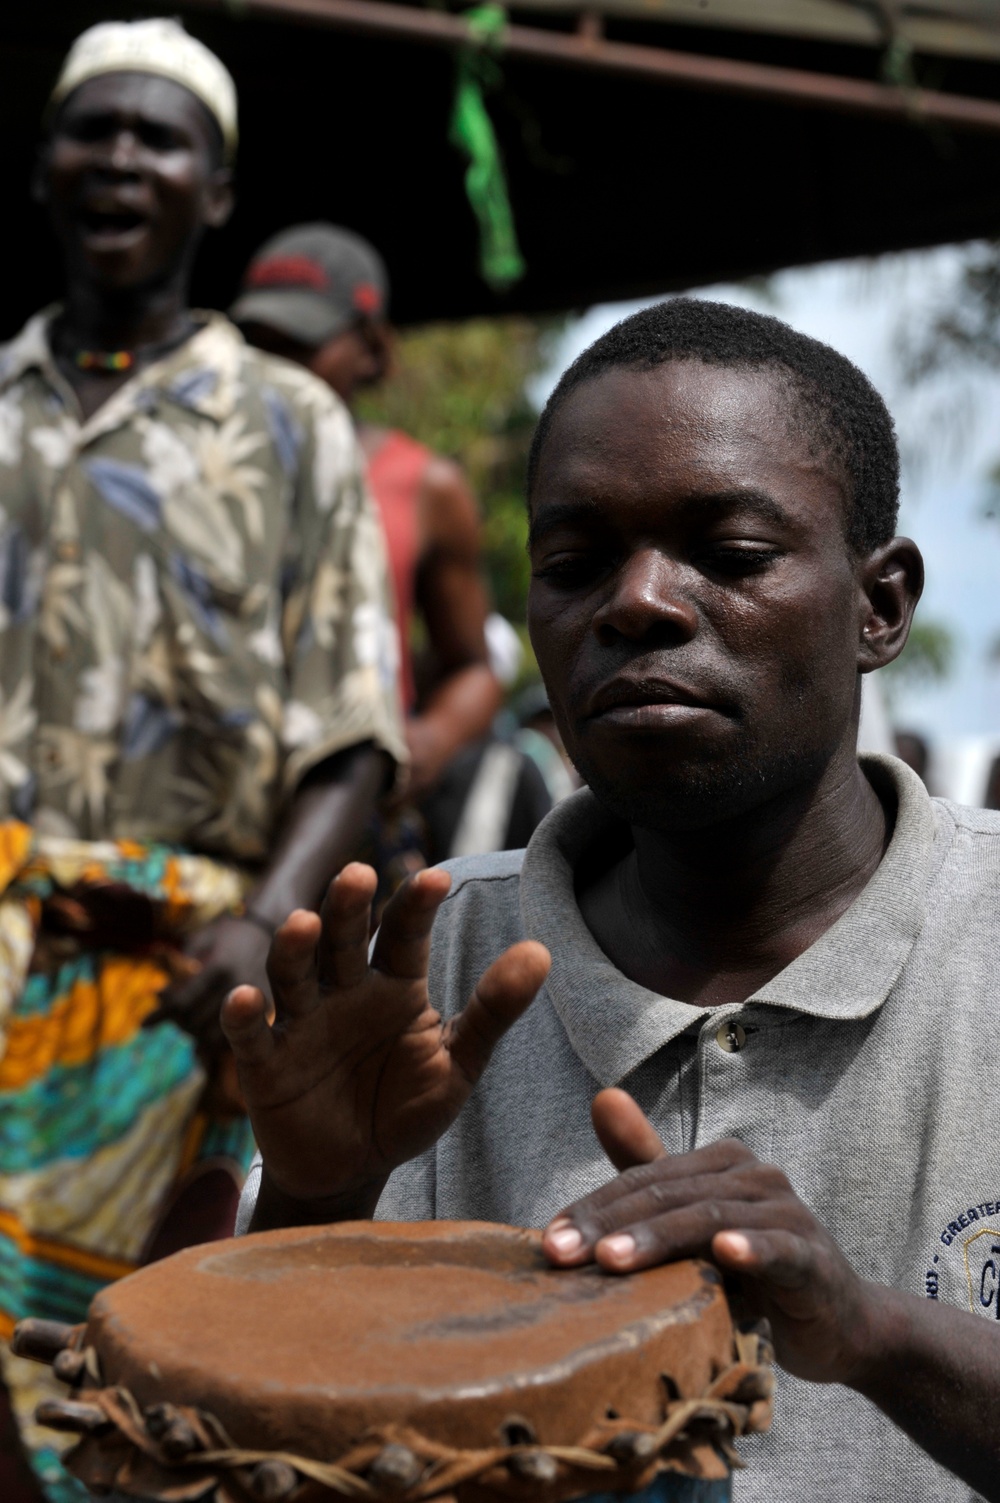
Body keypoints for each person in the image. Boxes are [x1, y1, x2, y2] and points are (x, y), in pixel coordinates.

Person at [229, 300, 1000, 1503]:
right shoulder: (425, 971)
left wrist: (872, 1330)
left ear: (879, 607)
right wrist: (317, 1206)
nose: (635, 603)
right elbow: (246, 1450)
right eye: (572, 566)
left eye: (731, 556)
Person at [0, 21, 405, 1500]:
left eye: (157, 137)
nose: (119, 159)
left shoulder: (290, 425)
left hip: (169, 1000)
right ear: (45, 165)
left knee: (122, 1394)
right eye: (89, 129)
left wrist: (257, 924)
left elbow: (353, 730)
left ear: (216, 191)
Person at [231, 223, 502, 810]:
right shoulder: (198, 472)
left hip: (346, 806)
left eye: (299, 345)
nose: (274, 370)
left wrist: (428, 740)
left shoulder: (425, 487)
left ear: (372, 350)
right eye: (257, 344)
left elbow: (474, 668)